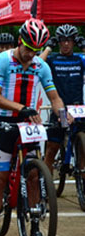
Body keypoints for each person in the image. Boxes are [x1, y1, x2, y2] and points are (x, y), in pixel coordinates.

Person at [0, 18, 69, 236]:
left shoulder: (41, 66)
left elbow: (54, 98)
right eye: (28, 49)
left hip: (28, 126)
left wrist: (63, 118)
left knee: (33, 177)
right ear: (20, 41)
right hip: (5, 123)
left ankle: (35, 228)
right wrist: (22, 108)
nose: (31, 54)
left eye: (36, 50)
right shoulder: (2, 60)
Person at [39, 24, 85, 173]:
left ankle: (82, 178)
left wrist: (84, 47)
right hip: (59, 108)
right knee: (52, 148)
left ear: (74, 41)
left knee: (82, 148)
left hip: (78, 108)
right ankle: (46, 185)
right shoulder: (52, 59)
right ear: (58, 41)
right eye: (62, 40)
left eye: (70, 40)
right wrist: (48, 48)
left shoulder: (80, 58)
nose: (66, 44)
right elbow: (37, 65)